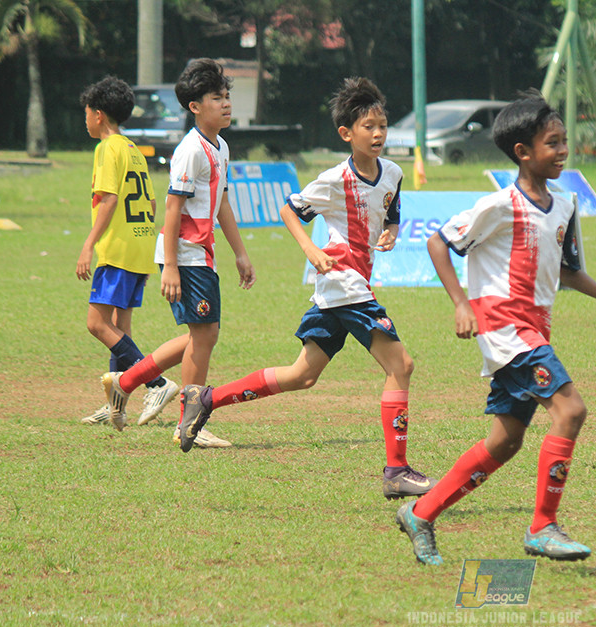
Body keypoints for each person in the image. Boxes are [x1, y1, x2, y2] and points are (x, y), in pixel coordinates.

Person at [395, 91, 596, 566]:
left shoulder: (565, 206)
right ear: (523, 152)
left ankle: (421, 512)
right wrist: (461, 304)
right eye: (553, 143)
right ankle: (543, 527)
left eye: (564, 141)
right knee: (570, 411)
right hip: (505, 329)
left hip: (534, 329)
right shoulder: (500, 204)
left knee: (505, 441)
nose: (563, 150)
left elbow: (567, 270)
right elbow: (439, 243)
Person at [176, 77, 437, 498]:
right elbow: (289, 209)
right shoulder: (334, 179)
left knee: (302, 375)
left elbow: (393, 210)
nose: (378, 134)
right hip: (342, 280)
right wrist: (311, 251)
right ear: (346, 134)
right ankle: (397, 471)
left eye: (383, 126)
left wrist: (390, 231)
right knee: (400, 365)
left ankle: (206, 398)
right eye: (368, 126)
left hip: (346, 287)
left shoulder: (393, 173)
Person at [100, 58, 256, 447]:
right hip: (184, 254)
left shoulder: (220, 147)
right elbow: (172, 207)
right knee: (205, 335)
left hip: (201, 254)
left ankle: (126, 381)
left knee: (202, 335)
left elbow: (221, 203)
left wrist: (240, 252)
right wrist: (169, 265)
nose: (226, 104)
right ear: (194, 107)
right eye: (216, 97)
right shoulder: (191, 150)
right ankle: (189, 424)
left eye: (226, 96)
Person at [76, 76, 180, 427]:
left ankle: (157, 381)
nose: (86, 119)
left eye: (87, 113)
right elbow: (150, 202)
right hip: (140, 247)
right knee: (121, 327)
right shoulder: (133, 149)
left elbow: (109, 199)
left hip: (118, 248)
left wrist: (88, 245)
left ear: (99, 115)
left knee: (96, 323)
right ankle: (115, 404)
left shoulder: (107, 149)